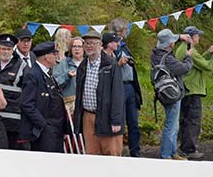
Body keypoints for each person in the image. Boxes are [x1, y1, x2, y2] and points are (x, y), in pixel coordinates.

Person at [74, 29, 125, 157]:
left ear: (100, 45)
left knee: (111, 152)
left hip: (107, 116)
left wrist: (116, 121)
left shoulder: (111, 65)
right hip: (88, 116)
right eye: (86, 43)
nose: (89, 46)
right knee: (92, 154)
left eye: (92, 43)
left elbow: (117, 95)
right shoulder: (82, 66)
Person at [175, 26, 213, 160]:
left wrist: (208, 52)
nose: (199, 37)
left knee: (185, 120)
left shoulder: (183, 48)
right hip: (192, 89)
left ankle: (184, 147)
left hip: (185, 88)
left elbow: (196, 63)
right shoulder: (190, 50)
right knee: (193, 120)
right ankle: (189, 149)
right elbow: (208, 66)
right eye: (197, 35)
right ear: (192, 37)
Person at [151, 28, 194, 160]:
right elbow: (183, 69)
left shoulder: (155, 53)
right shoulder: (168, 58)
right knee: (171, 125)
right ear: (170, 45)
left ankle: (173, 152)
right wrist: (188, 57)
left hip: (163, 93)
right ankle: (166, 154)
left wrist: (180, 37)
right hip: (172, 94)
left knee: (172, 123)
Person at [19, 41, 69, 153]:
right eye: (54, 53)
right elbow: (26, 104)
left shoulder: (48, 73)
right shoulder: (33, 75)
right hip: (44, 130)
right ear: (47, 56)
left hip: (56, 127)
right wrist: (43, 125)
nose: (57, 56)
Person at [103, 31, 143, 158]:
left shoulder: (124, 46)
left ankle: (135, 150)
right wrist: (119, 64)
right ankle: (118, 150)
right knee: (118, 120)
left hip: (130, 85)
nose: (126, 33)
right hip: (118, 87)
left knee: (133, 121)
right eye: (124, 31)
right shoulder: (107, 53)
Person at [0, 32, 25, 149]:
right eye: (3, 48)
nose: (6, 52)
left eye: (9, 49)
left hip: (12, 120)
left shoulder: (22, 65)